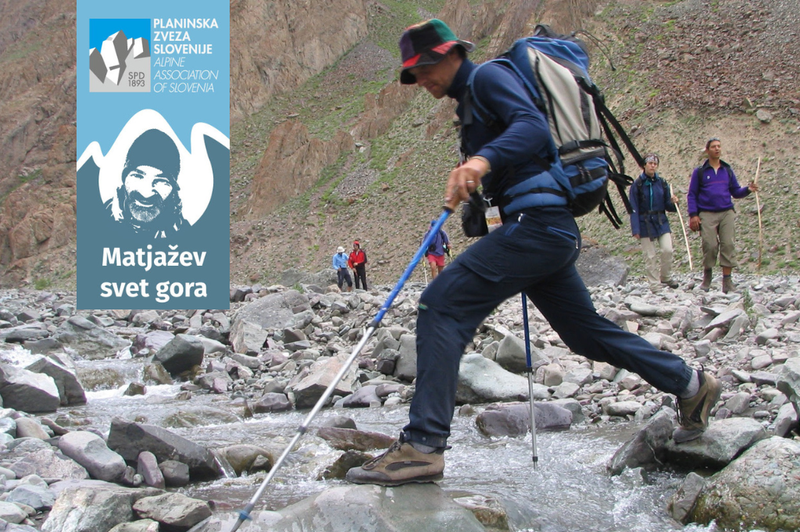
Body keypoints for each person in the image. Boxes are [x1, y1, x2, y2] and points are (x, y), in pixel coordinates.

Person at [346, 19, 722, 487]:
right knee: (585, 335)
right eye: (413, 74)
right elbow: (518, 157)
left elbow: (532, 129)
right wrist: (477, 184)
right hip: (546, 233)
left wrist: (480, 162)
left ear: (453, 53)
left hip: (538, 229)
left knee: (440, 305)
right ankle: (692, 385)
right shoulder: (469, 105)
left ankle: (422, 447)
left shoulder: (486, 77)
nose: (420, 80)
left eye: (425, 67)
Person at [686, 137, 758, 293]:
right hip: (706, 212)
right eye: (713, 146)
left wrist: (748, 189)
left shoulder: (727, 170)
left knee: (728, 244)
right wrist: (693, 215)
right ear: (707, 150)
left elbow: (735, 191)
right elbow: (692, 194)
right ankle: (707, 278)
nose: (717, 149)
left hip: (726, 211)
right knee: (710, 245)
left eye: (719, 146)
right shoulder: (700, 172)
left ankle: (727, 281)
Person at [105, 128, 187, 238]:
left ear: (173, 188)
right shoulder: (98, 222)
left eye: (161, 181)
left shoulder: (186, 234)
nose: (146, 192)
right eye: (138, 176)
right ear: (125, 178)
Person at [628, 154, 679, 291]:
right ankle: (654, 284)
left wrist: (673, 202)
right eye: (650, 163)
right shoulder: (637, 185)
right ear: (644, 165)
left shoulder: (662, 183)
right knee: (650, 255)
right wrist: (636, 228)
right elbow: (633, 207)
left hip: (661, 220)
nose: (652, 166)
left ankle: (666, 276)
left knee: (667, 249)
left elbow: (668, 205)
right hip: (644, 222)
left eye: (655, 164)